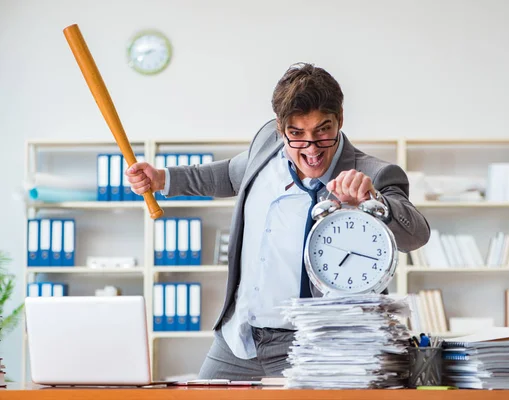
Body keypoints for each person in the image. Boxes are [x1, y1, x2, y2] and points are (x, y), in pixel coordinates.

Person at [126, 62, 430, 380]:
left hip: (317, 347)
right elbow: (227, 175)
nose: (311, 148)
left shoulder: (372, 174)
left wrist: (373, 202)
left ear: (340, 119)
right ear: (279, 128)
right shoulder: (266, 146)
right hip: (238, 340)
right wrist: (163, 178)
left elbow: (416, 236)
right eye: (297, 134)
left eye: (323, 131)